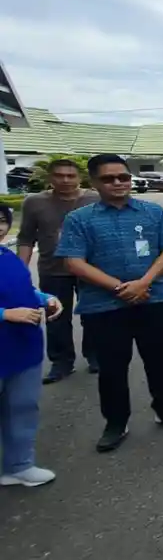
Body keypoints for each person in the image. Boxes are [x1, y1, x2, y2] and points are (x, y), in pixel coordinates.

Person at [57, 154, 163, 453]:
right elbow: (74, 262)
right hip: (103, 307)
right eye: (108, 178)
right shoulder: (80, 219)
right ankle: (116, 421)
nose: (118, 183)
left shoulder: (153, 211)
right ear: (94, 182)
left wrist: (144, 283)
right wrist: (119, 288)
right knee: (112, 366)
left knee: (158, 359)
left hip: (155, 299)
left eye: (123, 177)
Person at [15, 157, 99, 382]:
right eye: (59, 176)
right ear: (50, 178)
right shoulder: (34, 202)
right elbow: (25, 238)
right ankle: (61, 362)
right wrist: (19, 273)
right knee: (56, 316)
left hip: (90, 270)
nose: (65, 180)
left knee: (93, 314)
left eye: (70, 176)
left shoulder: (95, 199)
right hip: (52, 270)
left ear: (79, 178)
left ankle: (95, 356)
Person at [0, 203, 63, 487]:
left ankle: (19, 465)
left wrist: (44, 298)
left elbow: (23, 289)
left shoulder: (6, 256)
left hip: (22, 347)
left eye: (2, 220)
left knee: (22, 408)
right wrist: (4, 314)